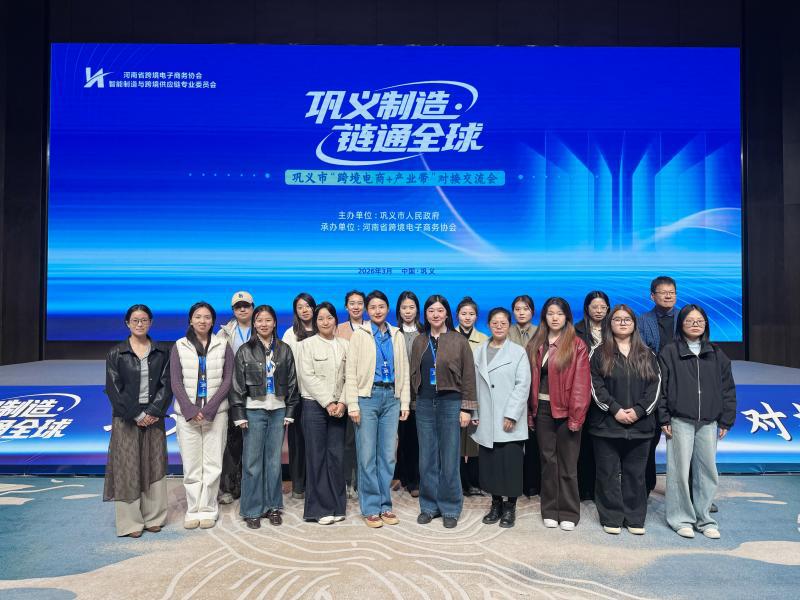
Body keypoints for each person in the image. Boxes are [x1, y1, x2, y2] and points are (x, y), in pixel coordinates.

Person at [658, 304, 736, 539]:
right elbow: (662, 388)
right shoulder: (669, 352)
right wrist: (663, 416)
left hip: (709, 422)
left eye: (699, 321)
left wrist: (726, 420)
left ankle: (705, 519)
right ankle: (680, 519)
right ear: (681, 324)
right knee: (679, 471)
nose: (695, 324)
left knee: (707, 471)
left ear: (706, 325)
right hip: (679, 419)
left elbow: (727, 389)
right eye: (690, 320)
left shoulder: (717, 353)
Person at [589, 304, 660, 535]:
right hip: (606, 426)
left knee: (636, 475)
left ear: (634, 324)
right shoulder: (598, 353)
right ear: (610, 324)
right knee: (607, 474)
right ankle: (611, 517)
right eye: (617, 319)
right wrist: (615, 410)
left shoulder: (647, 354)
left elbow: (655, 387)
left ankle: (635, 518)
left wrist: (638, 411)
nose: (622, 323)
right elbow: (595, 386)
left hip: (641, 427)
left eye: (627, 319)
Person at [103, 304, 171, 538]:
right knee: (127, 467)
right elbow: (113, 389)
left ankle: (154, 517)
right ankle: (130, 522)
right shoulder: (116, 353)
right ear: (127, 323)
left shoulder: (162, 351)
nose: (140, 324)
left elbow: (166, 385)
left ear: (150, 322)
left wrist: (153, 411)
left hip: (154, 416)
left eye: (144, 320)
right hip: (126, 418)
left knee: (155, 464)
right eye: (135, 320)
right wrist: (136, 414)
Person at [410, 294, 477, 529]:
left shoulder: (459, 340)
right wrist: (413, 402)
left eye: (440, 310)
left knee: (449, 457)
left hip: (451, 403)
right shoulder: (420, 340)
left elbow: (469, 375)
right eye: (431, 311)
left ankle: (450, 507)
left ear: (447, 313)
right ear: (426, 314)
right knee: (427, 457)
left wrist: (466, 408)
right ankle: (429, 506)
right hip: (425, 403)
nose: (435, 315)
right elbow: (413, 373)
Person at [230, 305, 299, 529]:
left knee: (273, 462)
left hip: (278, 411)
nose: (264, 324)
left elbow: (292, 382)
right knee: (252, 462)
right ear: (254, 323)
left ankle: (273, 507)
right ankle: (252, 509)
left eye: (268, 320)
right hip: (253, 411)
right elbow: (237, 385)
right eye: (259, 320)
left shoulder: (284, 349)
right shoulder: (245, 350)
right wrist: (239, 414)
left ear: (275, 322)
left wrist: (290, 411)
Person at [345, 290, 410, 528]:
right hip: (367, 397)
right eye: (372, 307)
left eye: (381, 306)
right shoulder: (360, 334)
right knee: (366, 456)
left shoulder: (396, 334)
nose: (377, 311)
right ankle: (371, 507)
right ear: (367, 310)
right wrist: (353, 404)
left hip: (391, 397)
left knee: (388, 455)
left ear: (388, 308)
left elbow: (403, 369)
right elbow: (350, 371)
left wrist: (404, 402)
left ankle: (385, 504)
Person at [527, 297, 590, 531]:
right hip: (542, 410)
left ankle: (569, 512)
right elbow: (529, 381)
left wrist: (576, 416)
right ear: (544, 316)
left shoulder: (576, 344)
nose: (555, 318)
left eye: (559, 314)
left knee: (568, 465)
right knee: (548, 462)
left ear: (567, 317)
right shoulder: (537, 343)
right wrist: (530, 412)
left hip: (567, 411)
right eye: (550, 313)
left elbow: (581, 384)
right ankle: (550, 510)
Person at [170, 302, 234, 529]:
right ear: (191, 320)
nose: (202, 321)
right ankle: (193, 509)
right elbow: (175, 381)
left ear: (213, 321)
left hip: (216, 414)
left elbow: (228, 380)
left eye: (207, 317)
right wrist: (189, 409)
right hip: (187, 416)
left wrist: (209, 409)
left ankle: (208, 509)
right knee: (191, 465)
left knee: (213, 464)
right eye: (198, 316)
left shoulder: (223, 344)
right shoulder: (180, 345)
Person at [472, 307, 531, 529]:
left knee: (511, 465)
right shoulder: (478, 351)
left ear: (509, 326)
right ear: (488, 325)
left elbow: (522, 385)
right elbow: (473, 385)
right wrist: (474, 412)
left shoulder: (518, 352)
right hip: (487, 416)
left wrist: (512, 415)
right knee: (491, 465)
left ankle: (510, 507)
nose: (498, 326)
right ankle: (495, 504)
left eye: (503, 323)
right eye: (494, 323)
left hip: (508, 417)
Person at [297, 302, 349, 524]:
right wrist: (328, 402)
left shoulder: (345, 345)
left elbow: (350, 377)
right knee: (316, 456)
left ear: (336, 319)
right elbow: (307, 376)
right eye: (320, 319)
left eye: (329, 318)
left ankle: (337, 506)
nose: (325, 322)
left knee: (336, 457)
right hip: (314, 406)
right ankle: (319, 509)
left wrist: (343, 402)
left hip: (339, 408)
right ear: (315, 322)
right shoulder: (306, 345)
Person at [637, 276, 679, 497]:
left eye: (671, 292)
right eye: (663, 292)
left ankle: (691, 493)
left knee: (684, 445)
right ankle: (645, 487)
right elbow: (640, 352)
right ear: (652, 296)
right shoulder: (643, 320)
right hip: (653, 384)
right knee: (649, 441)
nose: (668, 295)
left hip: (681, 385)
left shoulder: (686, 316)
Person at [215, 290, 254, 506]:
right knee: (232, 442)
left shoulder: (262, 327)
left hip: (257, 395)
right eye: (238, 307)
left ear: (252, 307)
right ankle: (228, 487)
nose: (242, 309)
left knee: (254, 442)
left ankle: (250, 485)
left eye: (246, 305)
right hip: (232, 395)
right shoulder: (223, 334)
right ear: (233, 310)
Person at [574, 291, 610, 502]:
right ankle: (582, 487)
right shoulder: (576, 330)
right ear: (587, 308)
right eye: (594, 307)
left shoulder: (613, 329)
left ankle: (599, 489)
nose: (599, 311)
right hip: (583, 391)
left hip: (607, 392)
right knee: (582, 442)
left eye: (603, 307)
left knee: (603, 444)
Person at [282, 292, 317, 500]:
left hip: (320, 395)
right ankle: (299, 484)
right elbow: (285, 365)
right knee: (297, 441)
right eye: (300, 307)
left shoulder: (323, 329)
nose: (304, 310)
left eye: (307, 306)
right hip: (298, 395)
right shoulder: (290, 333)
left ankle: (316, 483)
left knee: (317, 442)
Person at [508, 294, 540, 497]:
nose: (521, 313)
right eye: (518, 309)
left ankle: (532, 483)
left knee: (535, 439)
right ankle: (513, 483)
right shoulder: (506, 330)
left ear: (532, 312)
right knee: (512, 440)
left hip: (536, 390)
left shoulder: (541, 332)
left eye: (525, 309)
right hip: (512, 391)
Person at [335, 289, 366, 499]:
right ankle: (347, 482)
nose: (356, 307)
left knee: (364, 442)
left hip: (367, 391)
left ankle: (362, 482)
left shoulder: (371, 327)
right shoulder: (339, 329)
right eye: (352, 303)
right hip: (346, 393)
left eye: (359, 303)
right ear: (346, 306)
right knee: (347, 441)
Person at [455, 296, 488, 496]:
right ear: (457, 315)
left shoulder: (484, 339)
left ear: (477, 316)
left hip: (476, 394)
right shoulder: (449, 336)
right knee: (456, 439)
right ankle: (458, 480)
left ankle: (475, 481)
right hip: (454, 394)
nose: (467, 317)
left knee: (475, 439)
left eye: (471, 314)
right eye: (464, 313)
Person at [393, 290, 423, 497]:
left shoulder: (425, 332)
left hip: (421, 395)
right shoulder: (394, 333)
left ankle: (416, 480)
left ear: (417, 310)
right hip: (399, 393)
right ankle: (405, 476)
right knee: (403, 438)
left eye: (411, 307)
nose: (408, 311)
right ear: (398, 310)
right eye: (404, 307)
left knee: (419, 439)